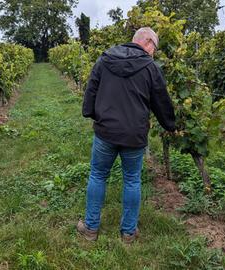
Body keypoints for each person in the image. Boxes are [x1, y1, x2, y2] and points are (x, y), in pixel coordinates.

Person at [77, 27, 176, 244]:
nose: (154, 53)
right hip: (134, 135)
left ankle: (91, 228)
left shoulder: (105, 59)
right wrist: (170, 125)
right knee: (132, 180)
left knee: (98, 175)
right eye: (155, 48)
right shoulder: (150, 67)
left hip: (105, 132)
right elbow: (161, 100)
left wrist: (92, 113)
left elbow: (91, 89)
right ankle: (128, 233)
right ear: (148, 42)